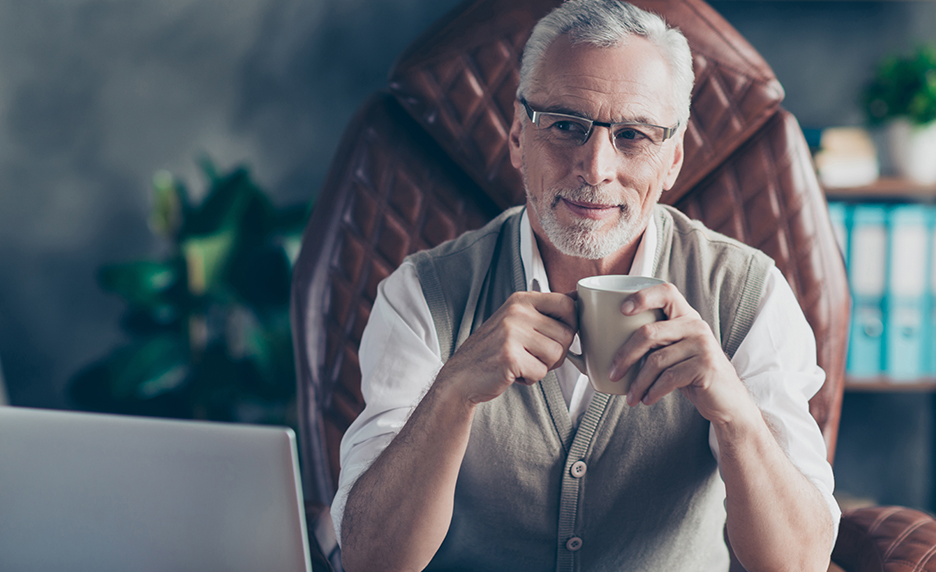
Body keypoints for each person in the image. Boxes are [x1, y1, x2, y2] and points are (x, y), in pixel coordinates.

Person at [333, 0, 839, 570]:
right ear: (518, 137)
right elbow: (369, 560)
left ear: (673, 159)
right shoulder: (420, 294)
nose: (596, 167)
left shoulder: (751, 293)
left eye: (633, 135)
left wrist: (735, 413)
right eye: (566, 126)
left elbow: (799, 564)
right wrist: (451, 394)